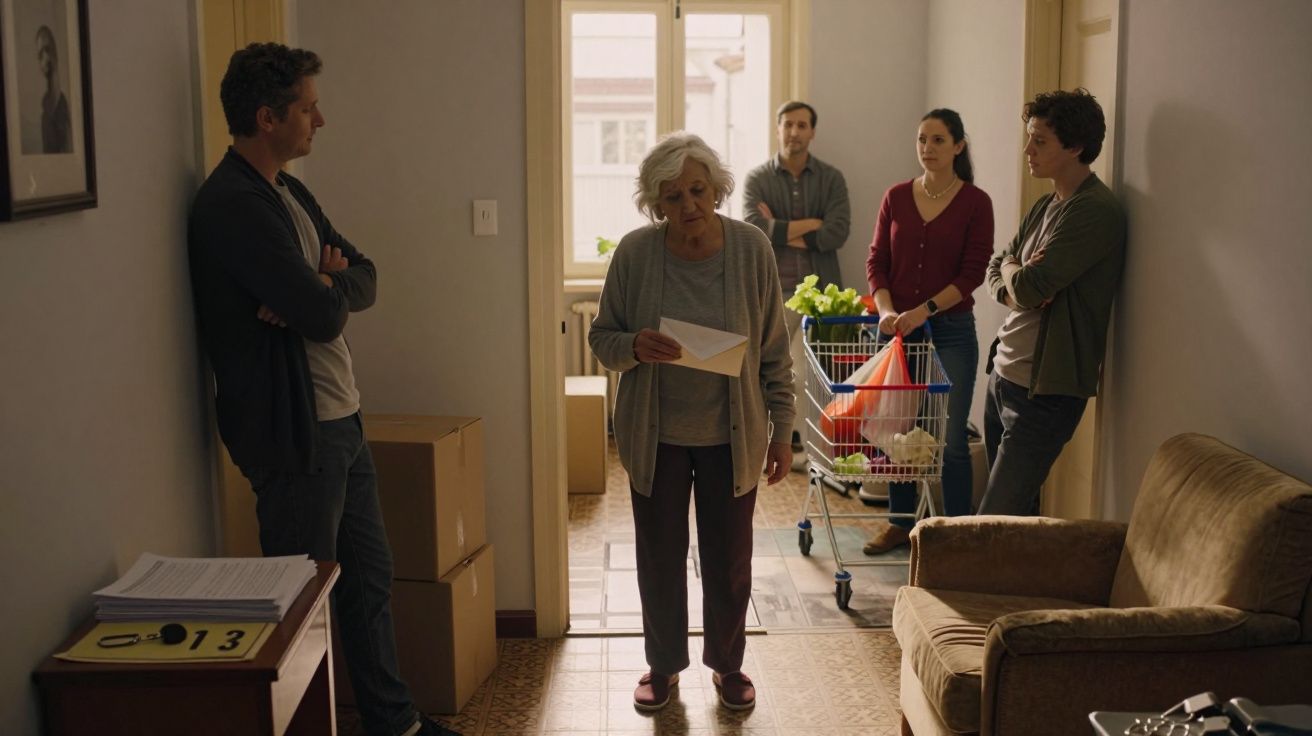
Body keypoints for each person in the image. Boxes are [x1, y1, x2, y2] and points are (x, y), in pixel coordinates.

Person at [187, 43, 457, 736]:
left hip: (341, 417)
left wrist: (324, 281)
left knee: (368, 581)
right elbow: (325, 313)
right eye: (307, 107)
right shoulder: (231, 205)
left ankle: (393, 723)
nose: (321, 119)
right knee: (301, 606)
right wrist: (320, 292)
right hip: (293, 433)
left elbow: (361, 274)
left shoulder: (288, 190)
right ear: (267, 116)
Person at [589, 132, 793, 713]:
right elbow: (602, 339)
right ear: (655, 204)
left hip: (735, 435)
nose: (688, 207)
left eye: (698, 191)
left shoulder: (751, 249)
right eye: (672, 197)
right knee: (660, 555)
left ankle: (728, 666)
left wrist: (782, 431)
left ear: (718, 189)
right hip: (657, 438)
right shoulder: (634, 253)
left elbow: (773, 350)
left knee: (730, 560)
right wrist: (634, 344)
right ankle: (663, 665)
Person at [978, 88, 1126, 516]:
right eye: (1030, 137)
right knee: (1010, 522)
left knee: (993, 518)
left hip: (1044, 394)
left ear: (1076, 146)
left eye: (1040, 140)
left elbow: (1028, 288)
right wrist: (1013, 270)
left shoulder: (1095, 211)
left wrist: (1016, 275)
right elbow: (998, 272)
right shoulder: (1045, 205)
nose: (1028, 150)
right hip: (1003, 375)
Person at [862, 109, 995, 554]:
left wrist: (925, 310)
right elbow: (877, 261)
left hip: (952, 329)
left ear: (958, 145)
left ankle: (954, 537)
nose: (928, 148)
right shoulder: (896, 196)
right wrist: (885, 309)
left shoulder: (976, 203)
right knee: (900, 434)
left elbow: (973, 273)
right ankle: (900, 523)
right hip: (897, 330)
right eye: (922, 140)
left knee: (951, 437)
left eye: (938, 140)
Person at [742, 101, 850, 454]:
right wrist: (810, 225)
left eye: (802, 125)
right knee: (764, 375)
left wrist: (779, 228)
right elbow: (754, 229)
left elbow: (836, 233)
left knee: (810, 378)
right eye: (788, 124)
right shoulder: (757, 179)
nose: (794, 132)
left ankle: (808, 449)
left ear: (812, 132)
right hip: (771, 294)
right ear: (778, 129)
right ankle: (766, 444)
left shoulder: (831, 179)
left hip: (819, 298)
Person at [35, 25, 71, 154]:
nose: (45, 58)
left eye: (48, 50)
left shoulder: (65, 108)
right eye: (40, 54)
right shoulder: (44, 116)